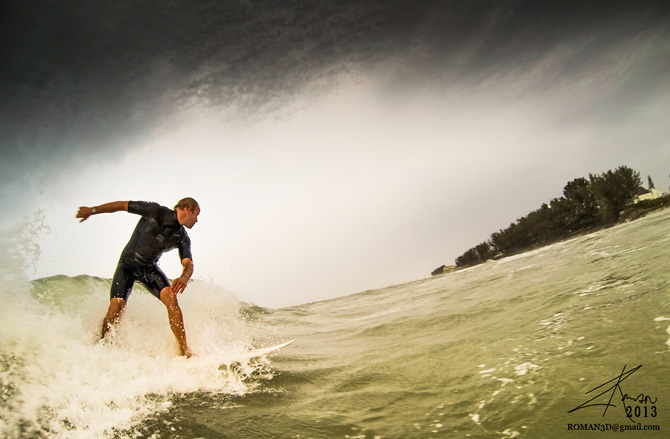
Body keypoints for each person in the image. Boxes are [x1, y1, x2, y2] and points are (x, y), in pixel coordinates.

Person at [76, 198, 200, 357]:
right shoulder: (155, 211)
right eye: (196, 214)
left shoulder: (182, 237)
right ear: (188, 209)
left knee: (171, 298)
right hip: (127, 265)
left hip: (149, 269)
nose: (197, 220)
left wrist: (184, 277)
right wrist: (92, 210)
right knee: (117, 305)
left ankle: (184, 352)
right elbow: (122, 205)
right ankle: (103, 344)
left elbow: (188, 263)